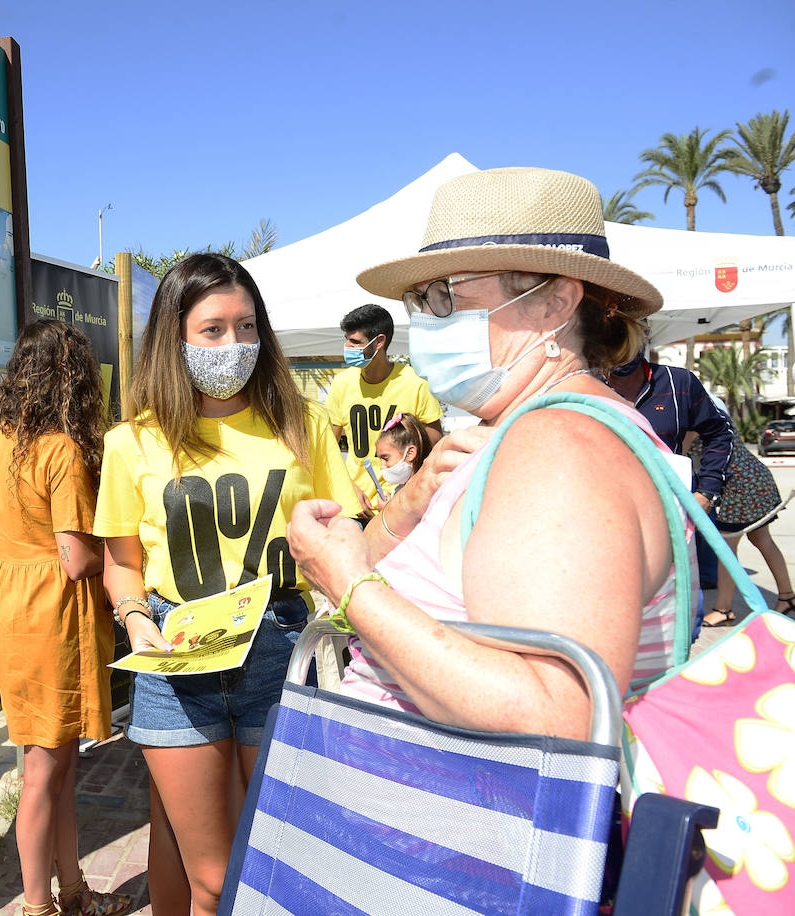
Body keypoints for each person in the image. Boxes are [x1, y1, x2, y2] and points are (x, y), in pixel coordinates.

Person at [288, 167, 694, 739]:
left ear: (555, 302)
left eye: (445, 295)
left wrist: (348, 584)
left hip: (465, 817)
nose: (426, 318)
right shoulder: (517, 432)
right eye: (419, 299)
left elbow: (559, 716)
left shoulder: (560, 448)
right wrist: (410, 504)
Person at [94, 252, 360, 915]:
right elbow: (121, 560)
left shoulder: (304, 424)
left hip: (279, 649)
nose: (233, 345)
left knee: (271, 855)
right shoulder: (133, 443)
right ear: (174, 336)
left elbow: (350, 532)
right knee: (211, 877)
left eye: (247, 327)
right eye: (212, 330)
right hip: (175, 663)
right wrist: (135, 621)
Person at [0, 320, 130, 916]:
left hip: (10, 605)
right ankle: (38, 906)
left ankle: (72, 893)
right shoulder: (61, 450)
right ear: (75, 383)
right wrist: (120, 545)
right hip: (50, 613)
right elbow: (75, 558)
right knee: (44, 770)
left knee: (57, 761)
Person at [604, 352, 737, 594]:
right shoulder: (583, 384)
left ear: (643, 333)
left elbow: (719, 432)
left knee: (680, 618)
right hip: (603, 529)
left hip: (671, 524)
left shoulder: (679, 382)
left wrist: (707, 492)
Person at [324, 303, 444, 516]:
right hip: (354, 507)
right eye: (346, 340)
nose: (347, 347)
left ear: (379, 342)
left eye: (354, 342)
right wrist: (349, 487)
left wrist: (407, 487)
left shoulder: (415, 383)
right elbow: (327, 447)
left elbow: (434, 443)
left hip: (402, 505)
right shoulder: (341, 384)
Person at [690, 432, 795, 625]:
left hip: (740, 484)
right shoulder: (712, 409)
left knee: (726, 548)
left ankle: (723, 608)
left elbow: (676, 451)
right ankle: (787, 596)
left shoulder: (695, 414)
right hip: (753, 477)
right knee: (761, 539)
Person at [371, 412, 431, 503]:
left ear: (410, 453)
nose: (382, 466)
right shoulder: (399, 490)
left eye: (386, 458)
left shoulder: (425, 492)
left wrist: (386, 511)